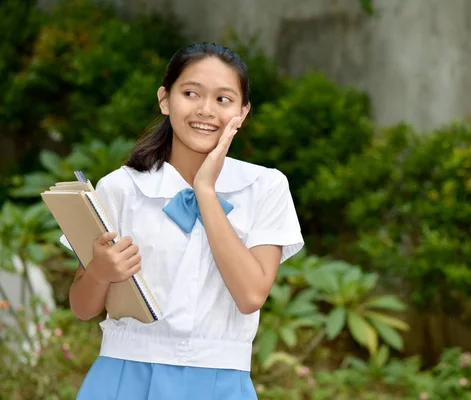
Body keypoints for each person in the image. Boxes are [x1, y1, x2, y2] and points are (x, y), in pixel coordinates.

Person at [62, 42, 304, 399]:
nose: (206, 110)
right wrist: (99, 271)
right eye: (191, 93)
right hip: (123, 377)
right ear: (165, 99)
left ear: (243, 112)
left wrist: (205, 191)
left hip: (221, 384)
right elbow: (83, 308)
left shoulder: (265, 186)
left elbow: (252, 294)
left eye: (223, 99)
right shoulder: (122, 187)